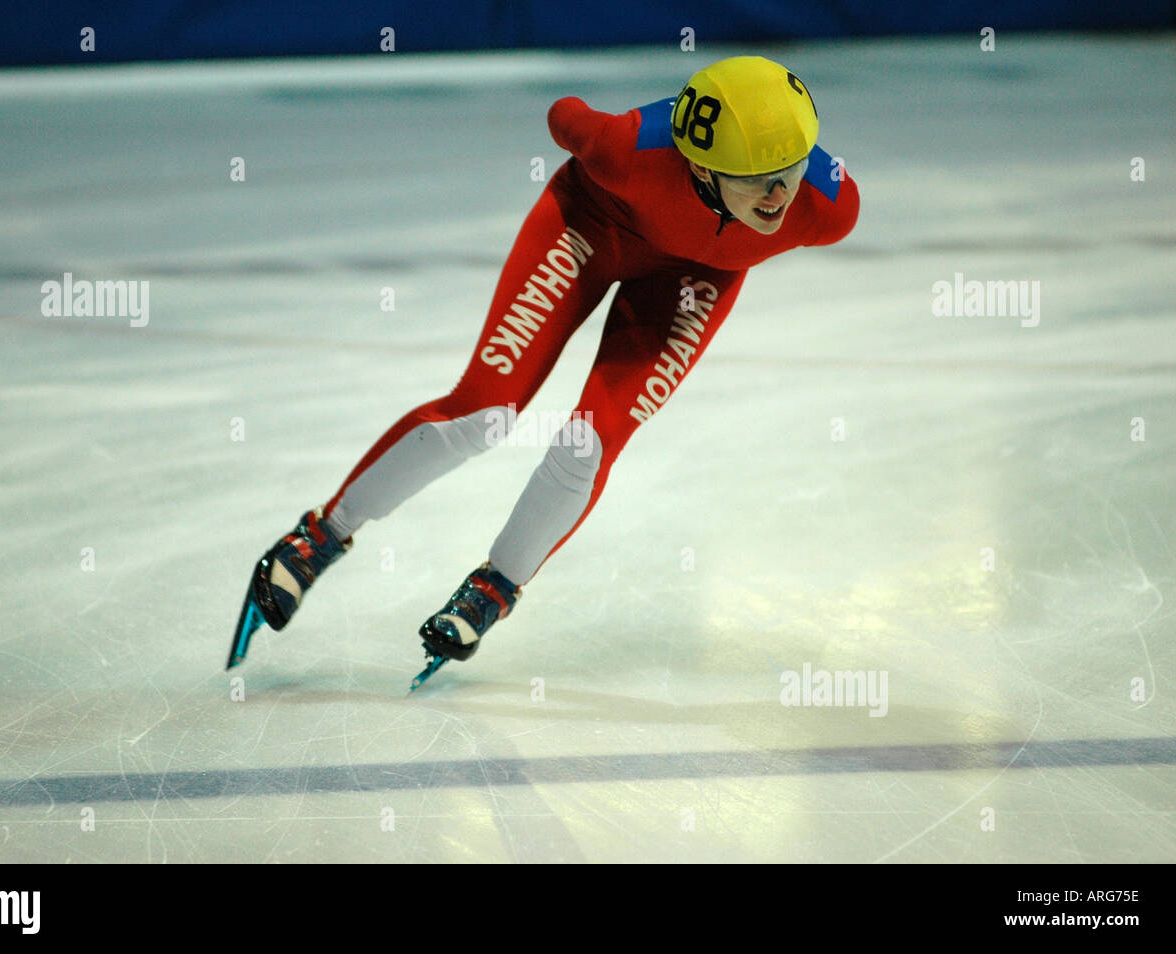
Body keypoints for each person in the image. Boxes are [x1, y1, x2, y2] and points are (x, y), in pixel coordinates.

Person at [226, 55, 860, 686]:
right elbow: (565, 116)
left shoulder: (830, 208)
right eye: (756, 179)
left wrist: (768, 175)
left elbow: (788, 185)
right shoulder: (625, 150)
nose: (780, 196)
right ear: (697, 164)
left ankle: (495, 587)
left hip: (693, 280)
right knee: (482, 413)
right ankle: (320, 536)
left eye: (792, 169)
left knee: (590, 444)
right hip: (591, 227)